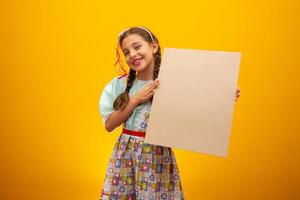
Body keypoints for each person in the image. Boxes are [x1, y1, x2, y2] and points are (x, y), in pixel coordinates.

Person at [98, 26, 240, 200]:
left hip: (157, 158)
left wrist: (223, 97)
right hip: (125, 156)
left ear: (154, 46)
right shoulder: (119, 84)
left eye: (137, 47)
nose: (132, 54)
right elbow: (109, 125)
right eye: (126, 52)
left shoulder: (171, 82)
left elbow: (194, 108)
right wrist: (135, 100)